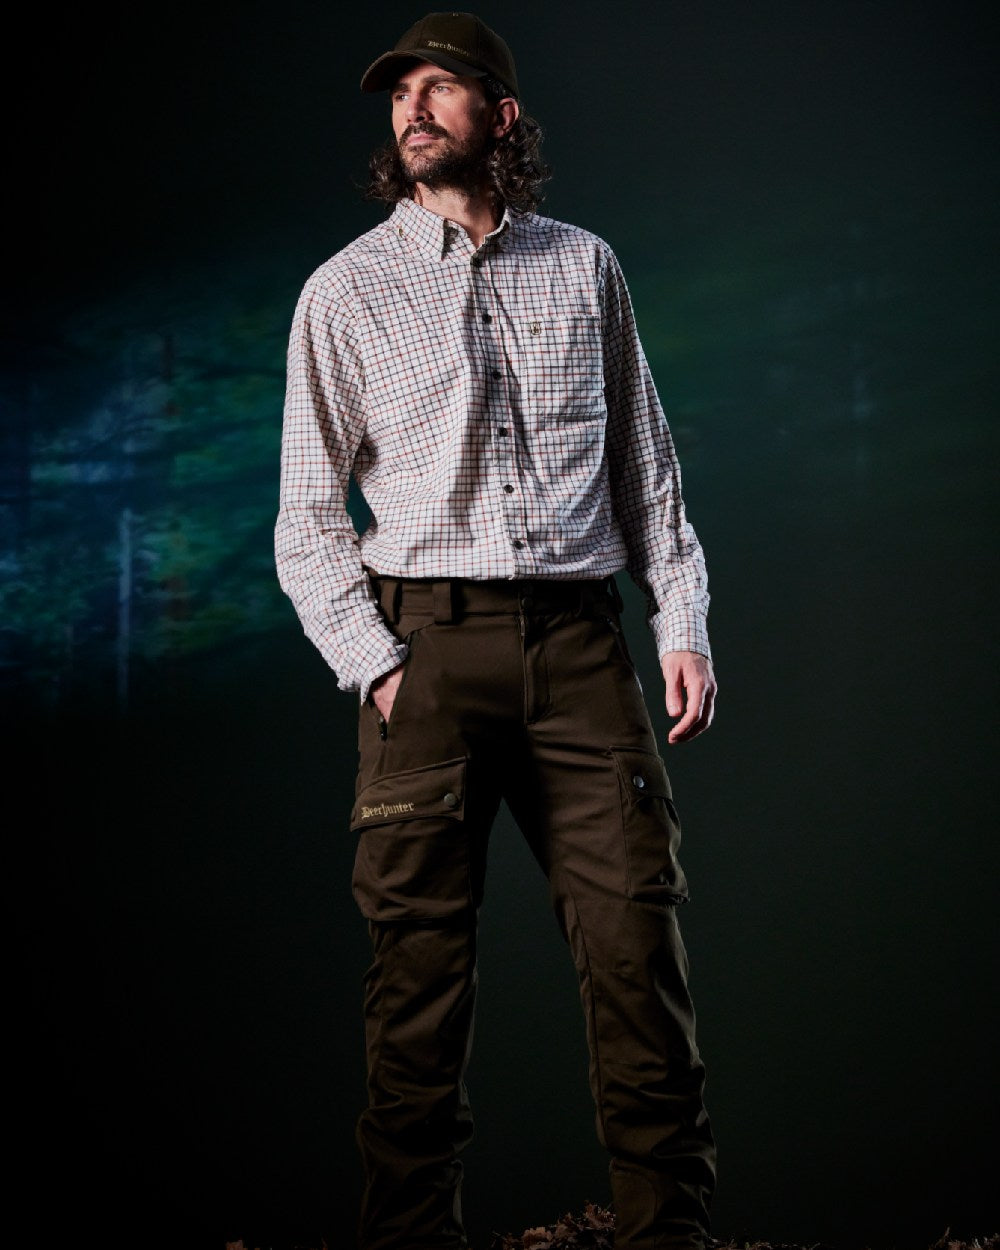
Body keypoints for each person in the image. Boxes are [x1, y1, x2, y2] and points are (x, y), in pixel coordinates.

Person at [275, 12, 718, 1249]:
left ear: (502, 117)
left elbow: (648, 467)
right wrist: (380, 670)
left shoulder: (586, 267)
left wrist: (679, 620)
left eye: (444, 88)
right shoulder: (343, 293)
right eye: (401, 92)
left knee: (638, 948)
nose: (415, 108)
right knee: (416, 982)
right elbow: (306, 524)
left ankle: (670, 1233)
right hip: (426, 649)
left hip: (584, 649)